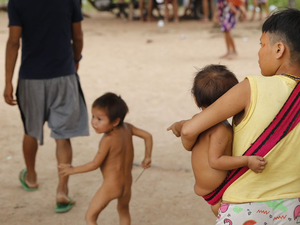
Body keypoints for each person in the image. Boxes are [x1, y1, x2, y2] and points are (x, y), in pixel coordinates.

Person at [177, 8, 300, 224]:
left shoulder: (251, 87)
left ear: (279, 49)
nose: (259, 52)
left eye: (262, 45)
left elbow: (189, 130)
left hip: (246, 209)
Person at [4, 0, 89, 213]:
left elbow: (14, 42)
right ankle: (62, 190)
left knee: (30, 130)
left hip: (30, 78)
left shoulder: (17, 2)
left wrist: (7, 81)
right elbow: (77, 36)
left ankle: (31, 177)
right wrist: (76, 59)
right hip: (63, 75)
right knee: (62, 135)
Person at [167, 64, 266, 216]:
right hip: (218, 190)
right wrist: (247, 161)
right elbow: (215, 161)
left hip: (210, 188)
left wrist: (177, 126)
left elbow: (185, 133)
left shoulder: (196, 121)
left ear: (195, 99)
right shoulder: (221, 130)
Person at [58, 93, 153, 225]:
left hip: (111, 185)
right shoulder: (128, 128)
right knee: (124, 210)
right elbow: (148, 136)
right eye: (93, 117)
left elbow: (94, 164)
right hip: (127, 184)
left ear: (115, 121)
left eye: (99, 119)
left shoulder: (108, 140)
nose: (94, 122)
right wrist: (147, 157)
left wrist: (72, 170)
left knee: (90, 217)